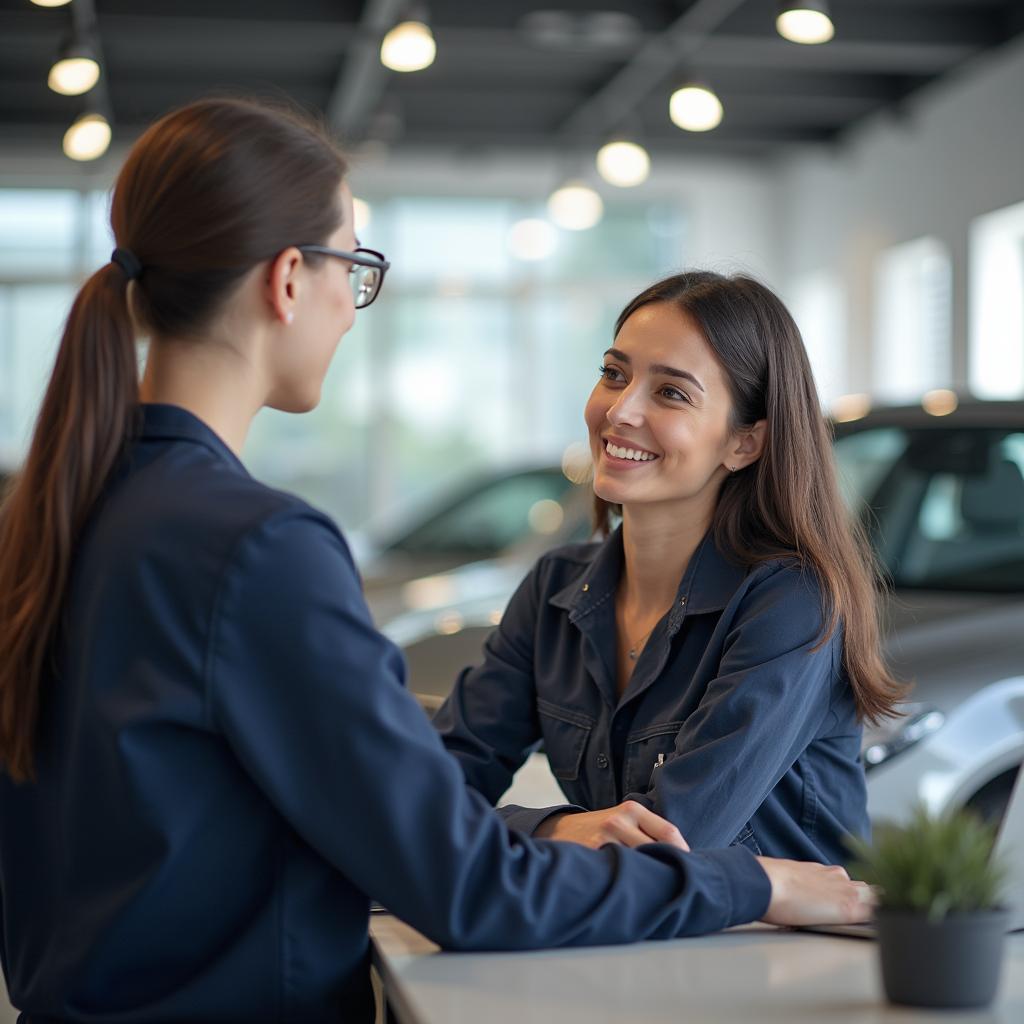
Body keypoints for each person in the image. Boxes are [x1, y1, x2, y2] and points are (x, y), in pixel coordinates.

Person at [0, 99, 872, 1023]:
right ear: (291, 279)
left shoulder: (55, 516)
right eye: (355, 267)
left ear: (747, 441)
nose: (351, 306)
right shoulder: (261, 549)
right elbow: (455, 869)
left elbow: (415, 821)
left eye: (668, 392)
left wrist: (505, 832)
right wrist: (749, 882)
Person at [436, 272, 905, 865]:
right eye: (614, 374)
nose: (621, 411)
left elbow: (671, 843)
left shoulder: (790, 602)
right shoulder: (555, 586)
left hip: (784, 951)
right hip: (626, 935)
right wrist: (561, 830)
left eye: (671, 393)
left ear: (745, 443)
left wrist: (543, 830)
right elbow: (424, 798)